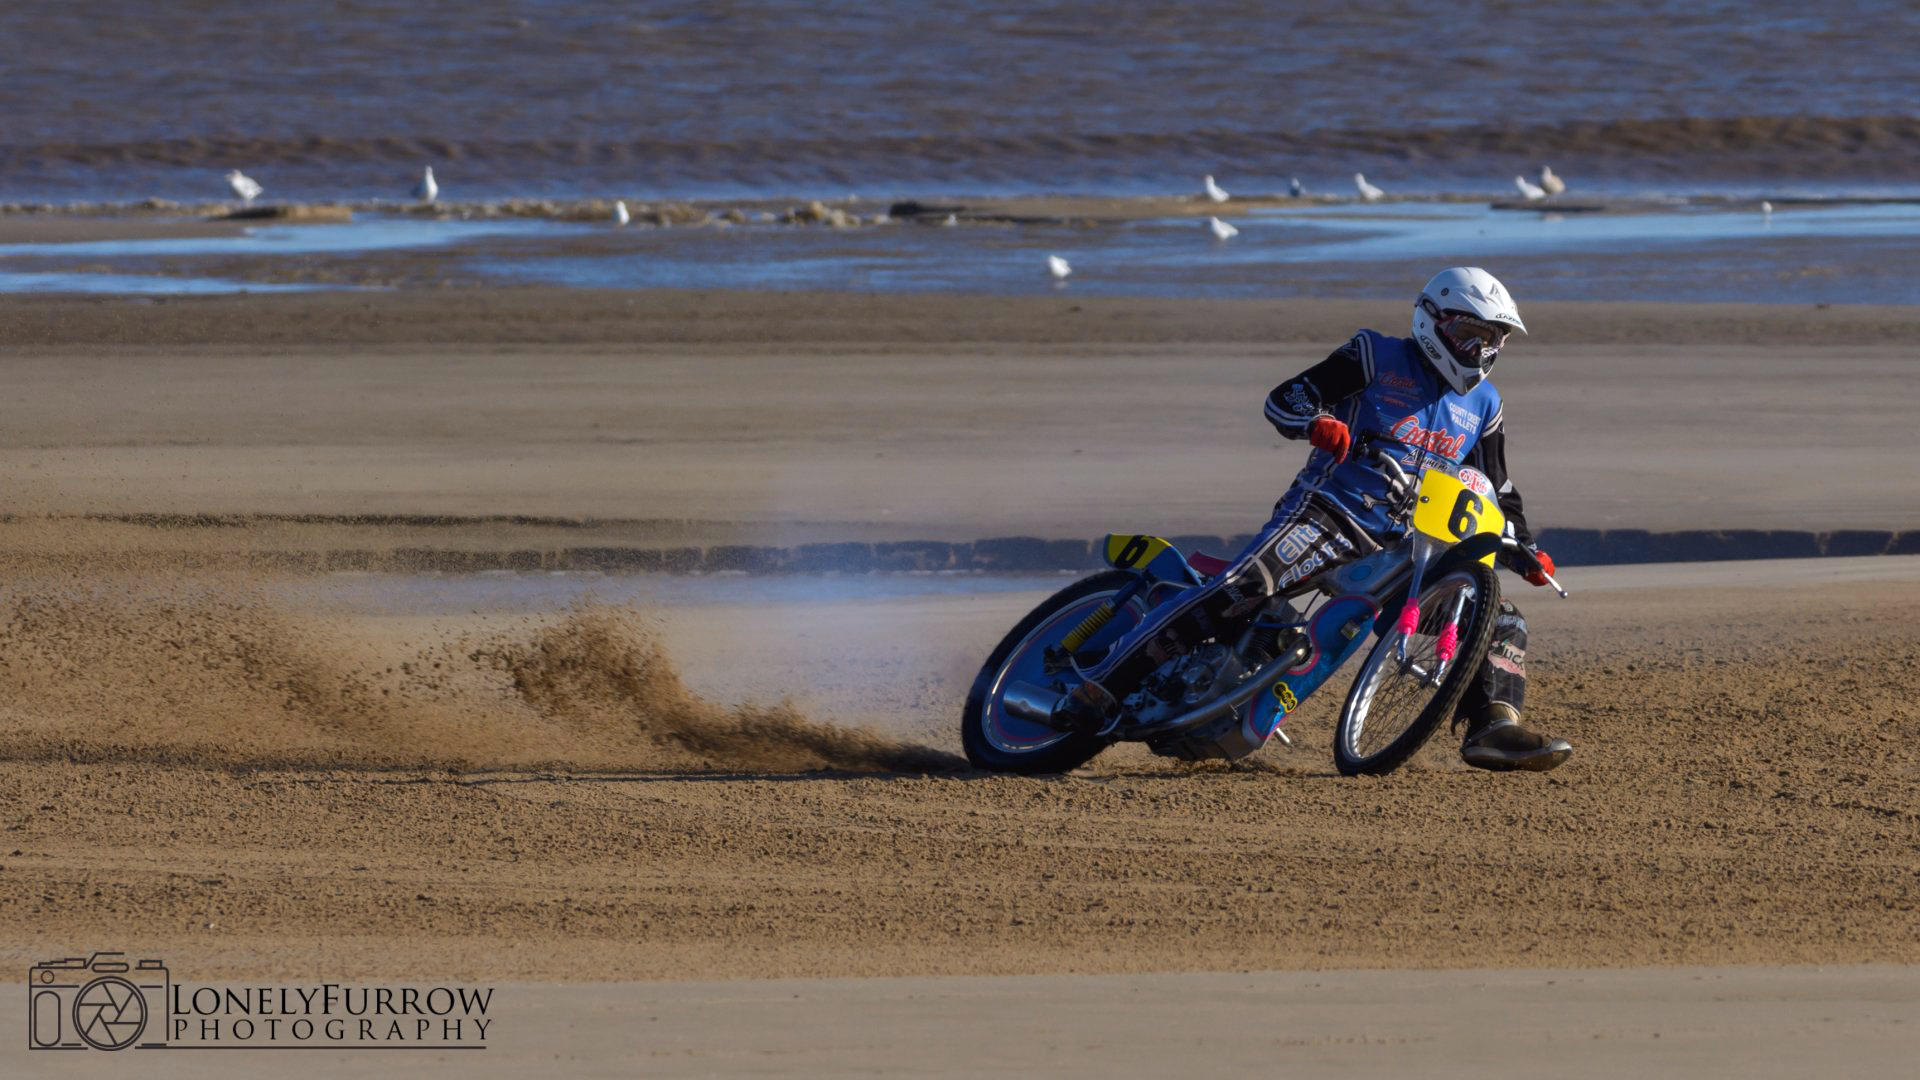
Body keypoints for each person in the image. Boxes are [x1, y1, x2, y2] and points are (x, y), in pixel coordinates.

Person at [1063, 267, 1572, 771]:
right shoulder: (1376, 355)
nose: (1480, 352)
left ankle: (1494, 726)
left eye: (1494, 341)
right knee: (1245, 585)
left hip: (1404, 549)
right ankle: (1104, 684)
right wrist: (1318, 422)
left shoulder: (1485, 405)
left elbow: (1497, 486)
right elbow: (1289, 397)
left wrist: (1524, 545)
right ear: (1433, 321)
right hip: (1327, 513)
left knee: (1500, 620)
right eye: (1471, 335)